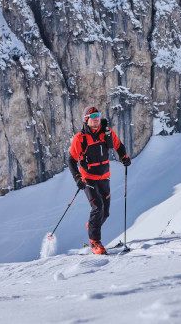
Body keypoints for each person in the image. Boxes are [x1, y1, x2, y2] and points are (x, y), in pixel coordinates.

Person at [68, 106, 131, 255]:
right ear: (86, 119)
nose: (96, 118)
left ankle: (91, 226)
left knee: (106, 212)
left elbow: (119, 146)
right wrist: (78, 178)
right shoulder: (80, 138)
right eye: (93, 116)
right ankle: (95, 242)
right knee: (98, 207)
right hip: (88, 178)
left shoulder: (107, 133)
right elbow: (71, 160)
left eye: (98, 115)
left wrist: (124, 157)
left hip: (104, 177)